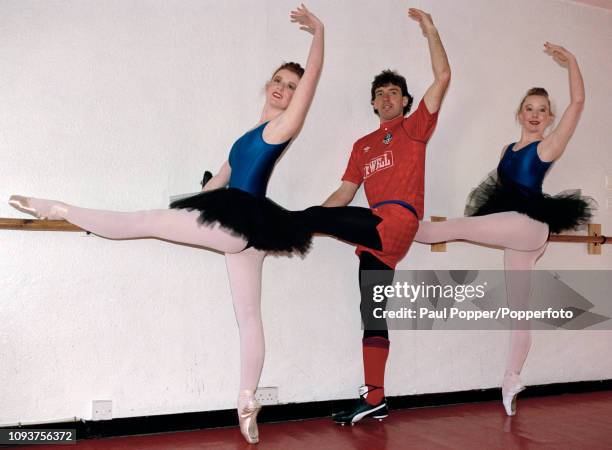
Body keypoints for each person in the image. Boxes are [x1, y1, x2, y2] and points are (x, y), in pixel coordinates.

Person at [8, 5, 340, 444]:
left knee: (146, 221)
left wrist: (319, 32)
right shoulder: (248, 135)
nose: (283, 89)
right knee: (248, 316)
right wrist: (192, 207)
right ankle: (246, 401)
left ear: (298, 96)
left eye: (292, 86)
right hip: (246, 229)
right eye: (279, 81)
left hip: (243, 224)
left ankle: (62, 209)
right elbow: (219, 183)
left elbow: (311, 80)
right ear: (267, 84)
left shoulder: (283, 127)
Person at [414, 43, 591, 416]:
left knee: (451, 228)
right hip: (518, 235)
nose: (535, 115)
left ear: (549, 117)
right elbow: (500, 191)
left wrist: (571, 61)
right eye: (529, 109)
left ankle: (393, 225)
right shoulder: (507, 149)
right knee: (519, 310)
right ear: (519, 113)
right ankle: (511, 379)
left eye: (542, 111)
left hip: (531, 226)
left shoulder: (548, 146)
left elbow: (577, 103)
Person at [322, 8, 450, 425]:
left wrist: (430, 31)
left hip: (397, 221)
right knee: (372, 313)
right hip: (375, 239)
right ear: (373, 103)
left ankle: (282, 222)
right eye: (380, 94)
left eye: (393, 92)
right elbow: (344, 193)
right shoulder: (362, 146)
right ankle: (375, 397)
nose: (386, 98)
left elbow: (443, 77)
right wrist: (316, 217)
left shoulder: (414, 129)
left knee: (310, 219)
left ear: (406, 101)